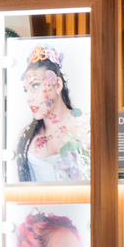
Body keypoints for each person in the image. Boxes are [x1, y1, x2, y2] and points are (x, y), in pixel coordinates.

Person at [14, 45, 91, 182]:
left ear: (58, 85)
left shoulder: (88, 125)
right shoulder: (25, 136)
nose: (28, 98)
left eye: (35, 86)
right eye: (26, 90)